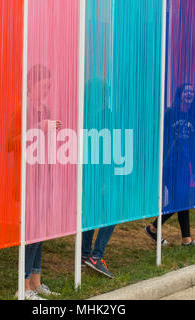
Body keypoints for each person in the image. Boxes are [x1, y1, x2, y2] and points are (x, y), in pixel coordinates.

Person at [8, 64, 61, 300]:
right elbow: (9, 143)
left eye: (49, 86)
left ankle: (37, 281)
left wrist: (52, 131)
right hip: (27, 177)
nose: (47, 90)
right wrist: (37, 128)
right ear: (31, 85)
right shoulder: (22, 108)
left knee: (41, 231)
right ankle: (24, 286)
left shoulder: (46, 108)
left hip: (43, 176)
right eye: (43, 86)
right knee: (31, 231)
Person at [145, 83, 195, 247]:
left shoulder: (193, 117)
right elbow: (157, 134)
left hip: (183, 164)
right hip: (168, 163)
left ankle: (181, 237)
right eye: (185, 91)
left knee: (182, 199)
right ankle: (157, 229)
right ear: (179, 95)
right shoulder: (170, 113)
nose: (188, 94)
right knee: (180, 199)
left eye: (191, 91)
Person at [81, 78, 117, 279]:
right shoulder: (104, 115)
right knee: (111, 213)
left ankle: (85, 255)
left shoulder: (84, 114)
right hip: (100, 172)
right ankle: (96, 256)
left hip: (88, 172)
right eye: (105, 93)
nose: (107, 96)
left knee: (92, 213)